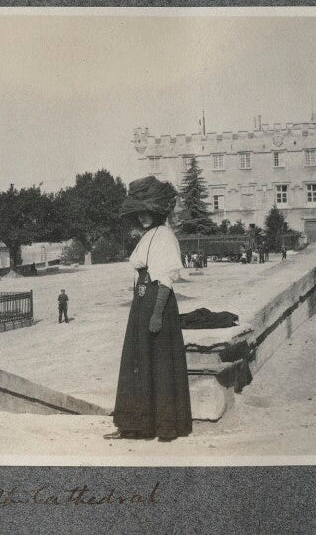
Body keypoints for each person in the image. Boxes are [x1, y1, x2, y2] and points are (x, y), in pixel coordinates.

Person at [105, 176, 192, 442]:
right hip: (142, 304)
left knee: (159, 363)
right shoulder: (148, 235)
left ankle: (164, 427)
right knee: (138, 361)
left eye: (147, 212)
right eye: (139, 213)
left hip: (157, 303)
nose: (143, 217)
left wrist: (156, 313)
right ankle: (135, 426)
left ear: (156, 211)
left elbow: (166, 278)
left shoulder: (164, 236)